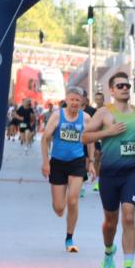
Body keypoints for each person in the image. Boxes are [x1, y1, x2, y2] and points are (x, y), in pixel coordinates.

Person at [82, 71, 135, 268]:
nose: (125, 89)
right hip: (109, 174)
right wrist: (107, 132)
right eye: (120, 86)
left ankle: (128, 267)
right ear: (111, 90)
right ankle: (109, 251)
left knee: (129, 216)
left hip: (131, 172)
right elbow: (84, 136)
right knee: (110, 221)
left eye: (127, 86)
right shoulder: (104, 113)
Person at [41, 86, 94, 252]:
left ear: (82, 102)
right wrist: (45, 162)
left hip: (77, 162)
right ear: (66, 100)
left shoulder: (86, 118)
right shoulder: (57, 116)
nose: (74, 103)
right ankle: (60, 206)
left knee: (73, 200)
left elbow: (91, 140)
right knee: (58, 208)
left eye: (78, 100)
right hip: (57, 162)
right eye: (72, 99)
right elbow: (45, 138)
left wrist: (91, 162)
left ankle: (69, 238)